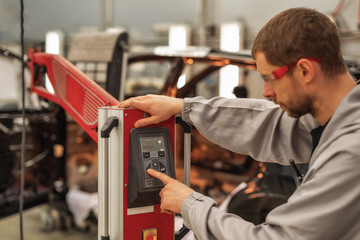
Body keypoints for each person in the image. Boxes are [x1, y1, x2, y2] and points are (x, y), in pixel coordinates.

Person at [119, 7, 360, 240]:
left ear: (305, 70)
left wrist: (190, 205)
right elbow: (269, 123)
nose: (266, 92)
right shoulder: (336, 119)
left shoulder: (350, 151)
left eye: (269, 79)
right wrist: (182, 108)